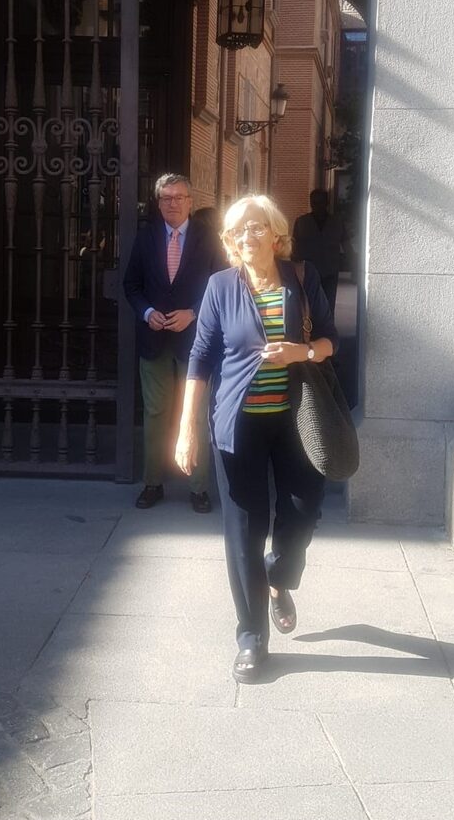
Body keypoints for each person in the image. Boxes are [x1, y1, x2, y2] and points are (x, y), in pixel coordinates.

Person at [174, 194, 339, 682]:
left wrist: (302, 352)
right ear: (230, 240)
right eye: (237, 230)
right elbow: (201, 358)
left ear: (275, 233)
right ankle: (251, 638)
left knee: (303, 513)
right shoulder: (220, 287)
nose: (247, 236)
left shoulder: (301, 278)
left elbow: (330, 339)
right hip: (238, 425)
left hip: (296, 422)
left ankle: (279, 577)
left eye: (256, 227)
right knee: (243, 532)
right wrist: (186, 429)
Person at [123, 174, 226, 512]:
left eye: (179, 197)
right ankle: (152, 483)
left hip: (196, 341)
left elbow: (221, 287)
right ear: (158, 203)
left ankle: (199, 488)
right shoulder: (146, 237)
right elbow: (131, 285)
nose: (173, 203)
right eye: (166, 198)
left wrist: (193, 313)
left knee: (195, 412)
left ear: (190, 201)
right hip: (153, 339)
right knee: (155, 412)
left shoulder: (208, 238)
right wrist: (147, 312)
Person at [292, 188, 350, 312]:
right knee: (308, 306)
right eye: (314, 202)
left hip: (330, 272)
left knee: (328, 306)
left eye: (321, 202)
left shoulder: (337, 222)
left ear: (327, 203)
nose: (317, 206)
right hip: (308, 272)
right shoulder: (301, 222)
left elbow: (346, 244)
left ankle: (328, 325)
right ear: (311, 203)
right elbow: (294, 247)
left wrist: (354, 264)